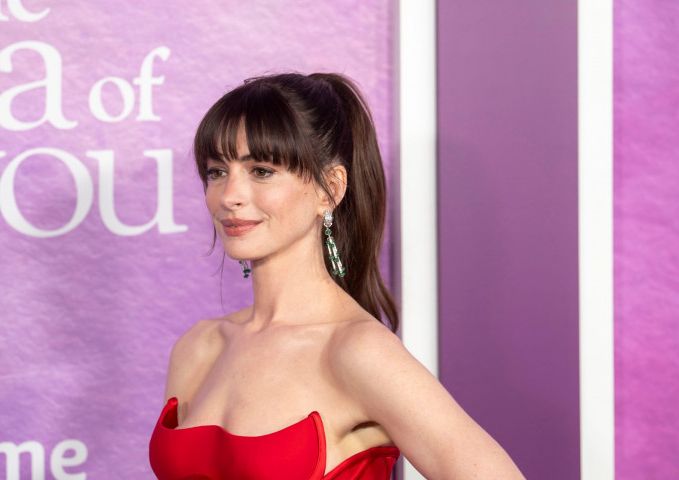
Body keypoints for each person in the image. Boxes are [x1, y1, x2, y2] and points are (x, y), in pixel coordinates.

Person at [149, 73, 525, 479]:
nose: (229, 197)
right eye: (216, 172)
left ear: (330, 189)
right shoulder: (197, 348)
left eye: (261, 171)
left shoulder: (357, 351)